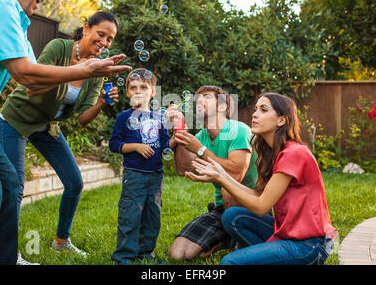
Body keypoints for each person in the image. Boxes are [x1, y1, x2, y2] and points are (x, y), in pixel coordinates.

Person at [0, 0, 131, 265]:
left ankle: (4, 259)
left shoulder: (16, 20)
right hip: (1, 116)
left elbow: (40, 82)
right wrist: (79, 70)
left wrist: (93, 83)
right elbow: (27, 80)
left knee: (8, 182)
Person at [0, 11, 123, 264]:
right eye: (101, 34)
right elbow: (34, 87)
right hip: (18, 120)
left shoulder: (97, 70)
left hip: (47, 126)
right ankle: (8, 254)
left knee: (75, 183)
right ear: (86, 28)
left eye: (110, 39)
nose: (105, 43)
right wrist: (81, 68)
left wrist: (100, 103)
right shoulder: (60, 47)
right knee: (14, 187)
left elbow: (81, 119)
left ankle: (61, 242)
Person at [186, 92, 336, 265]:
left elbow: (261, 206)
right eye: (256, 109)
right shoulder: (274, 153)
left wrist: (222, 177)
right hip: (286, 234)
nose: (254, 114)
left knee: (229, 262)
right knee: (232, 216)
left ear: (281, 120)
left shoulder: (294, 154)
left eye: (263, 110)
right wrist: (221, 176)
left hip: (309, 245)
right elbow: (259, 195)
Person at [167, 85, 258, 261]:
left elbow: (235, 175)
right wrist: (181, 132)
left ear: (223, 106)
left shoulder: (238, 130)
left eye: (206, 97)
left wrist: (200, 149)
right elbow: (182, 169)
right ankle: (227, 239)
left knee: (227, 188)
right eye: (198, 98)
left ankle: (240, 241)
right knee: (178, 255)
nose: (199, 100)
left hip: (252, 207)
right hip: (221, 209)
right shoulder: (202, 136)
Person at [109, 69, 177, 265]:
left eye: (144, 87)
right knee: (130, 214)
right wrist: (136, 147)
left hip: (155, 176)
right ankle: (123, 256)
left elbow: (165, 147)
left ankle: (146, 252)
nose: (138, 91)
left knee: (152, 216)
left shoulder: (159, 119)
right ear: (128, 93)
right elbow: (114, 144)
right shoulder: (124, 117)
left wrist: (174, 139)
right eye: (133, 87)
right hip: (134, 175)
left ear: (153, 92)